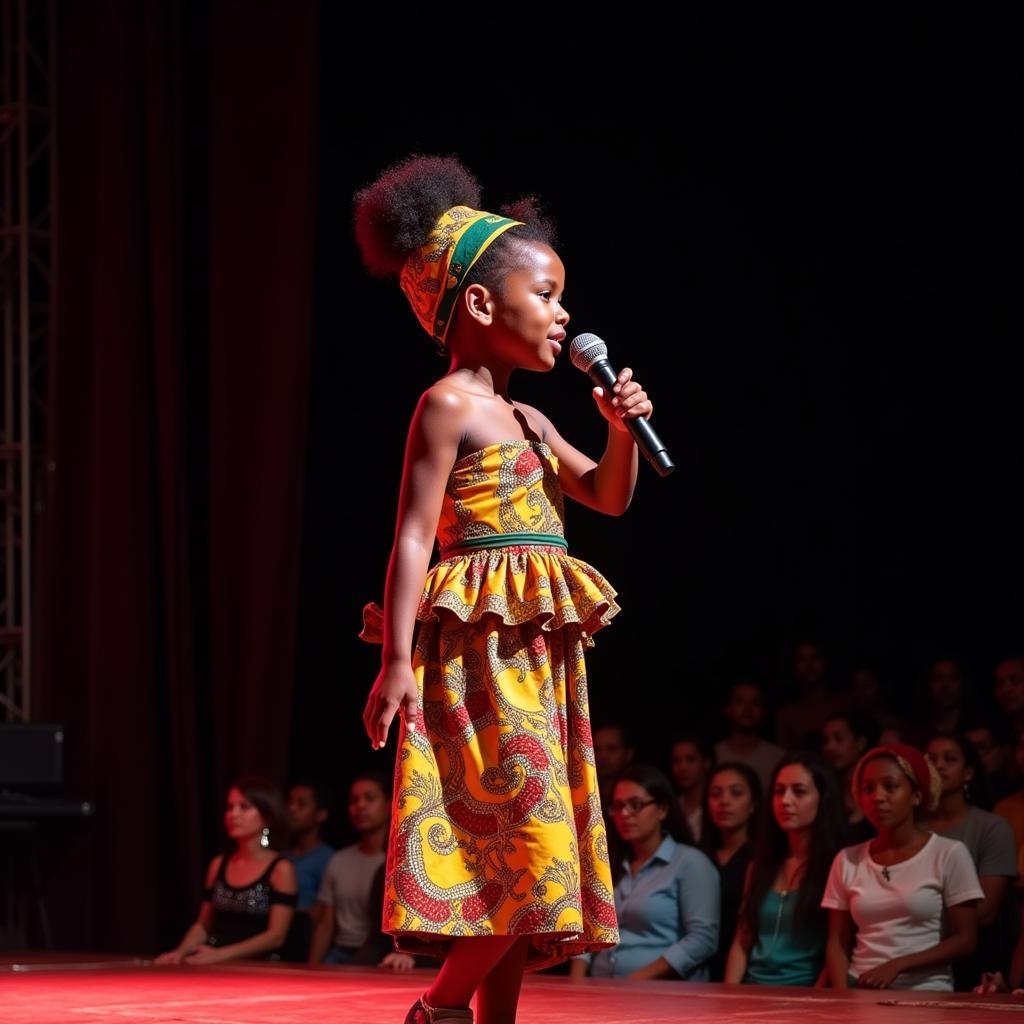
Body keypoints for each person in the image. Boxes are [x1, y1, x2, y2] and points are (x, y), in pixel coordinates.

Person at [354, 155, 655, 1024]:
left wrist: (618, 430)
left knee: (525, 854)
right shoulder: (448, 405)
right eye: (548, 294)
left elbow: (604, 495)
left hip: (537, 654)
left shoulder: (532, 418)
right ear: (482, 304)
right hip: (478, 653)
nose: (565, 315)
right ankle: (440, 1006)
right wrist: (398, 661)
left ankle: (481, 1021)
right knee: (530, 847)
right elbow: (412, 534)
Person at [822, 743, 983, 990]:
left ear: (917, 796)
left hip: (925, 990)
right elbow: (837, 942)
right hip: (860, 988)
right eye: (868, 788)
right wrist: (843, 996)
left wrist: (897, 965)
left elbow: (965, 939)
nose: (878, 797)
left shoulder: (948, 853)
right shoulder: (847, 859)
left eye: (890, 786)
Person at [569, 765, 718, 980]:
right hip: (601, 989)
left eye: (635, 805)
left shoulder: (689, 863)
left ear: (662, 809)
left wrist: (634, 980)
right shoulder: (609, 864)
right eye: (618, 806)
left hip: (663, 994)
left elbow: (702, 940)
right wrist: (577, 983)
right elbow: (588, 930)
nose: (624, 814)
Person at [725, 753, 843, 986]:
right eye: (779, 791)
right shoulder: (760, 866)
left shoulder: (836, 865)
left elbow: (839, 945)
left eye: (799, 791)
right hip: (753, 989)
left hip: (804, 993)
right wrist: (728, 995)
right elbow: (742, 940)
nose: (785, 801)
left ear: (823, 798)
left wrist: (815, 1000)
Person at [155, 778, 297, 965]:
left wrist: (221, 954)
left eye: (244, 807)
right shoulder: (218, 864)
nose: (233, 814)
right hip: (215, 962)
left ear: (267, 816)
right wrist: (180, 952)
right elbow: (204, 925)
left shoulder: (281, 868)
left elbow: (276, 936)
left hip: (260, 968)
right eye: (230, 807)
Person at [925, 733, 1018, 987]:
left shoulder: (992, 827)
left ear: (968, 773)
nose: (939, 766)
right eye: (931, 759)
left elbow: (986, 911)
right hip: (909, 949)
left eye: (950, 759)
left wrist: (919, 924)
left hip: (971, 957)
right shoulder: (911, 826)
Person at [310, 773, 414, 969]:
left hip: (382, 953)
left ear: (389, 803)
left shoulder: (400, 866)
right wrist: (313, 966)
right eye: (354, 800)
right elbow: (325, 923)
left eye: (370, 798)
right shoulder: (339, 860)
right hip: (341, 952)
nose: (361, 806)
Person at [700, 762, 762, 980]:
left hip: (745, 969)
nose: (724, 801)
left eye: (736, 793)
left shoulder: (762, 858)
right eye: (715, 794)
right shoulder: (696, 856)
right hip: (698, 969)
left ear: (753, 802)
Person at [714, 681, 784, 795]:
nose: (748, 708)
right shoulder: (714, 755)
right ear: (728, 709)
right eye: (740, 701)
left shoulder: (777, 757)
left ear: (763, 710)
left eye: (755, 703)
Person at [820, 712, 876, 842]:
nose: (830, 747)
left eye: (839, 738)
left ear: (860, 743)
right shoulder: (824, 793)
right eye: (825, 741)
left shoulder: (877, 790)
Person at [670, 733, 713, 843]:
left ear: (706, 763)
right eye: (677, 761)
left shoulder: (716, 806)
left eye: (691, 760)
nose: (682, 767)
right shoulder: (672, 806)